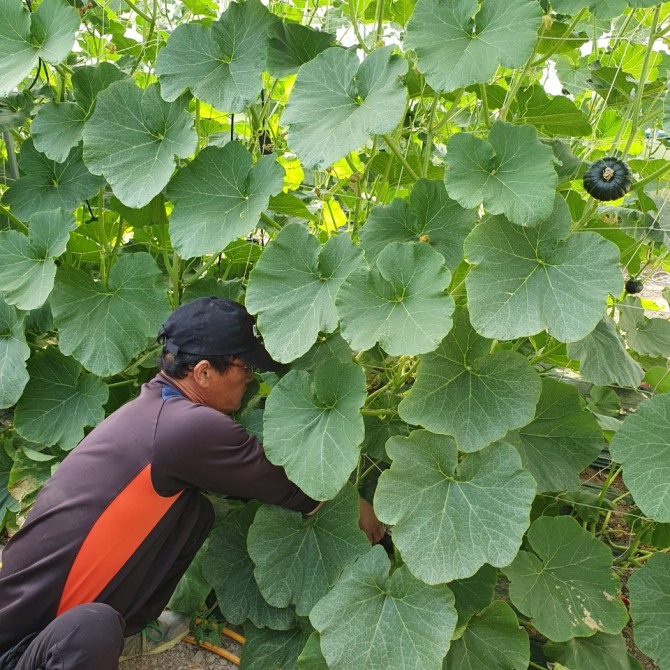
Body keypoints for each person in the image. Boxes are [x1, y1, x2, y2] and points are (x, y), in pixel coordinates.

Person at [0, 297, 384, 670]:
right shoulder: (187, 427)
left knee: (193, 512)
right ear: (202, 372)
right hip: (16, 648)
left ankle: (125, 632)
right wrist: (355, 508)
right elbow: (287, 483)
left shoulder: (155, 405)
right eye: (244, 367)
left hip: (43, 623)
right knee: (92, 631)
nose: (251, 379)